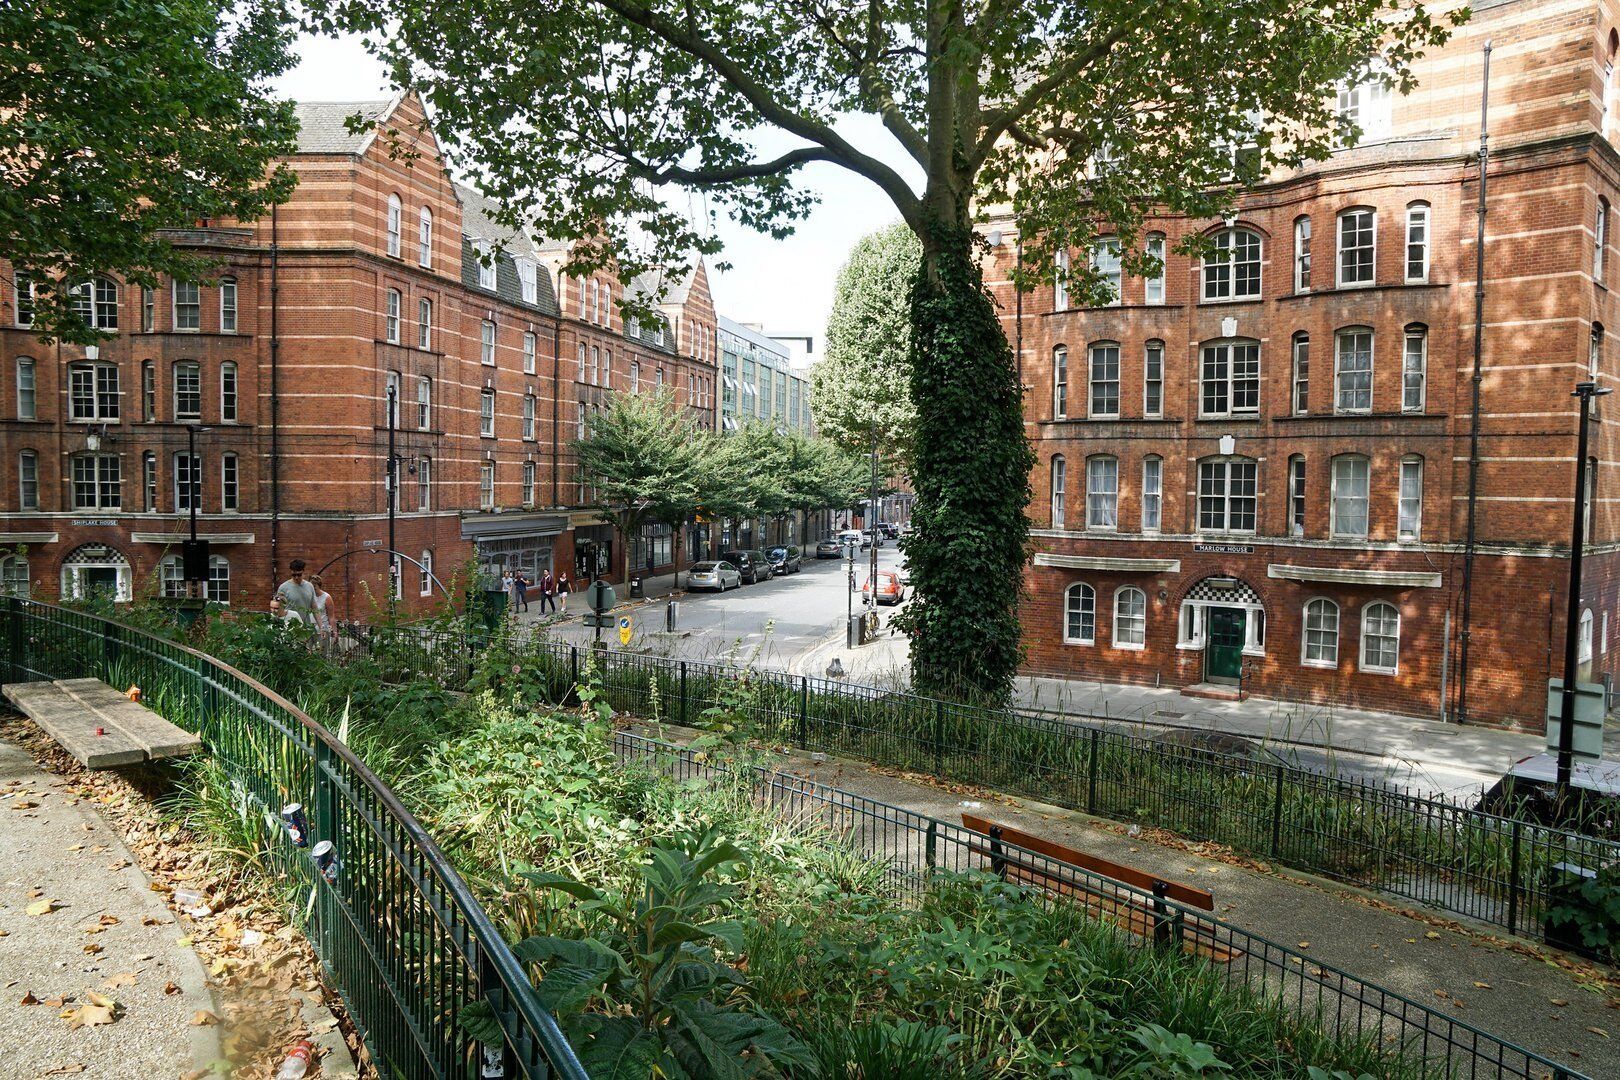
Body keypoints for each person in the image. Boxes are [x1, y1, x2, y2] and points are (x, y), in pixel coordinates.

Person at [273, 559, 316, 626]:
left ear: (303, 571)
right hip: (290, 627)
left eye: (299, 575)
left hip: (306, 627)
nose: (296, 577)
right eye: (294, 575)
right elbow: (278, 608)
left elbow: (314, 608)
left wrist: (321, 627)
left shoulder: (309, 586)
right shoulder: (283, 587)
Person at [309, 574, 335, 644]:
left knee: (322, 652)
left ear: (319, 586)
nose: (313, 590)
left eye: (315, 587)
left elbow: (331, 616)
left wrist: (334, 631)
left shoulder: (327, 597)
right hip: (309, 629)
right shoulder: (308, 597)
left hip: (323, 629)